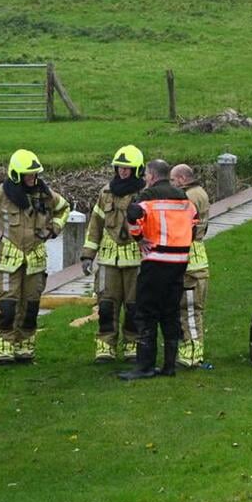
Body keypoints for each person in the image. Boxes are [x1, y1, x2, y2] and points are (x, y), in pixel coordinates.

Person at [0, 149, 70, 364]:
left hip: (35, 259)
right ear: (16, 174)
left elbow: (64, 208)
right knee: (8, 306)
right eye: (27, 174)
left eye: (34, 174)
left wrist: (53, 229)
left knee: (31, 306)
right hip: (8, 260)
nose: (32, 178)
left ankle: (25, 347)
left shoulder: (45, 195)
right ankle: (3, 349)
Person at [118, 159, 196, 381]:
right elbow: (195, 222)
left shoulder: (148, 195)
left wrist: (139, 238)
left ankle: (145, 366)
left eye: (146, 176)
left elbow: (133, 214)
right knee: (170, 312)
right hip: (179, 261)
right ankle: (169, 365)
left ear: (151, 176)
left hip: (156, 260)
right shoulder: (183, 197)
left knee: (146, 313)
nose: (145, 179)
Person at [79, 145, 146, 363]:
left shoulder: (145, 194)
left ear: (137, 170)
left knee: (134, 305)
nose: (122, 171)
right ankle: (105, 346)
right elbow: (95, 225)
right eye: (119, 167)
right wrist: (88, 255)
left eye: (127, 168)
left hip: (135, 260)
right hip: (108, 260)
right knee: (106, 305)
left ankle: (132, 346)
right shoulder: (106, 192)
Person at [171, 164, 213, 368]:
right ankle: (190, 351)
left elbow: (181, 227)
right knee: (191, 310)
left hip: (190, 265)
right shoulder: (200, 192)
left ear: (181, 179)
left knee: (189, 310)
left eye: (172, 180)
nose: (171, 184)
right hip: (197, 258)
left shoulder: (188, 198)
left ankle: (193, 354)